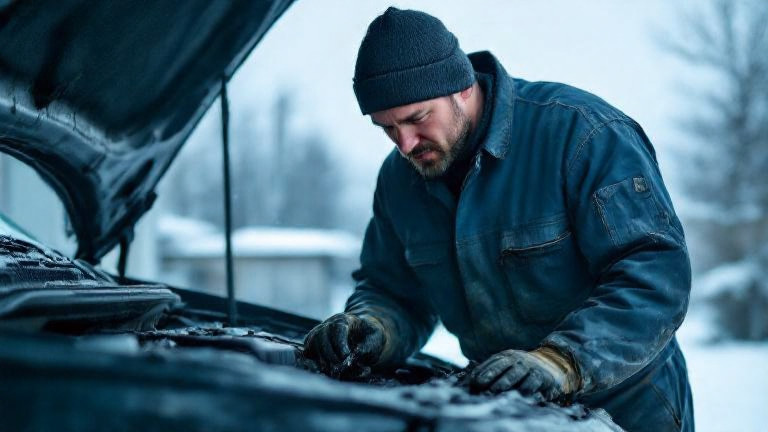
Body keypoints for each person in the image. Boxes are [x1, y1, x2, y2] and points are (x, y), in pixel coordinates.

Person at [303, 7, 694, 432]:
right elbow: (392, 290)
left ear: (464, 88)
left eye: (417, 119)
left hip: (628, 406)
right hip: (505, 414)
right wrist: (373, 326)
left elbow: (654, 275)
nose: (405, 144)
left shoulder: (583, 136)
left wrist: (562, 360)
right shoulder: (400, 181)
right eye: (387, 128)